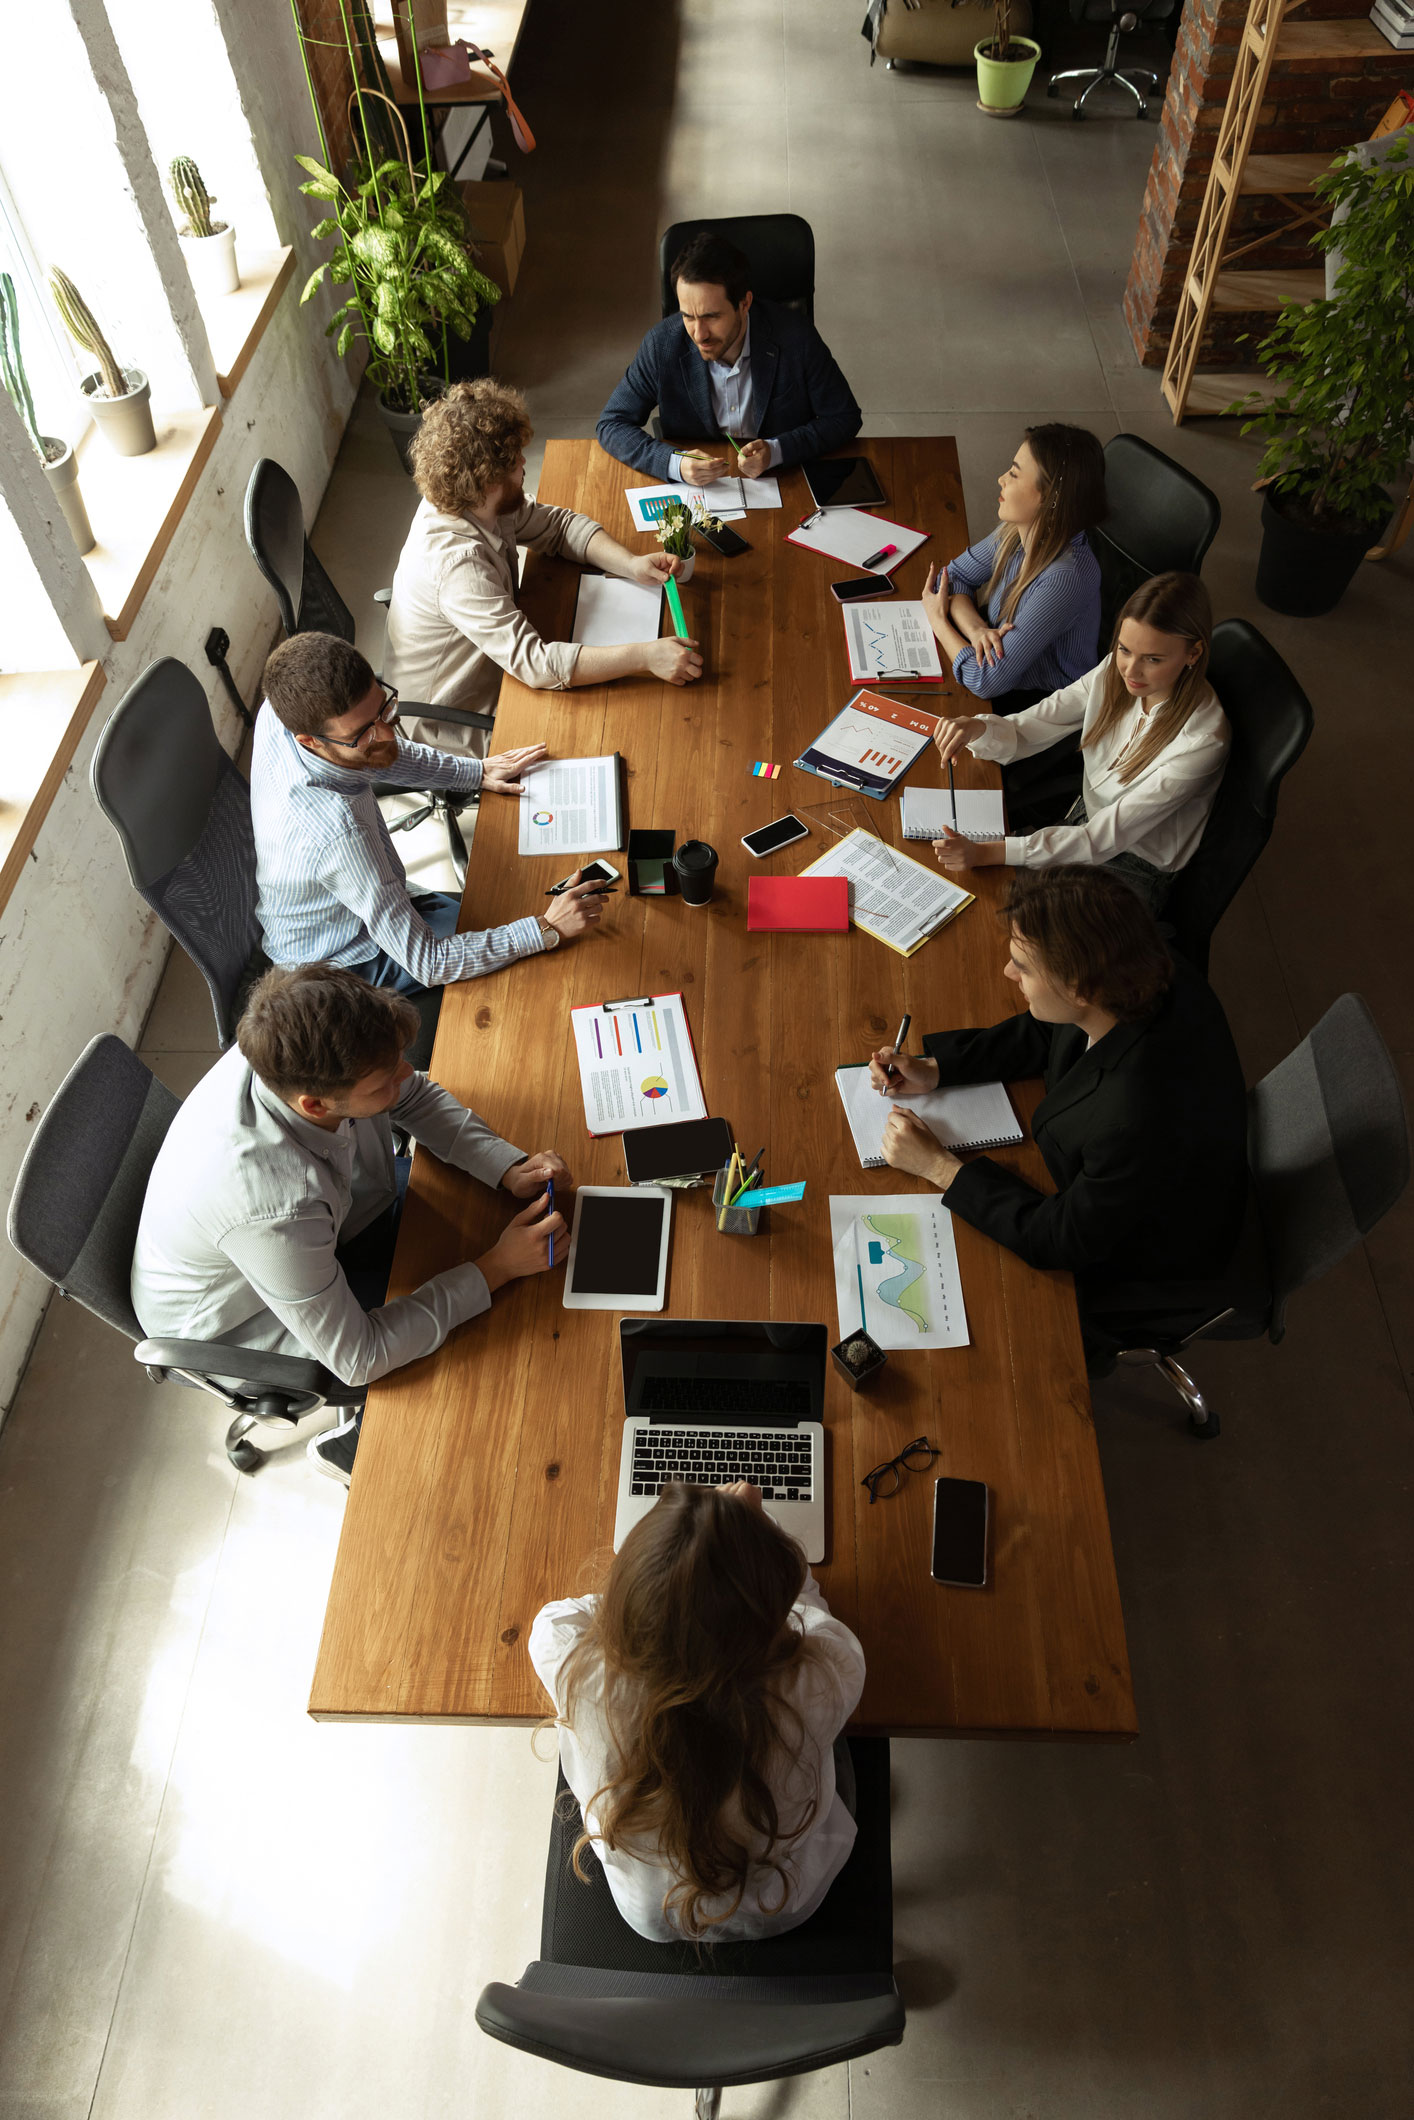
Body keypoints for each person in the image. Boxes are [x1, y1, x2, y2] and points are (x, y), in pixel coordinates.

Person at [131, 964, 570, 1482]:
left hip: (303, 1239)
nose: (407, 1075)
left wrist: (504, 1166)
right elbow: (358, 1356)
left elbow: (414, 1096)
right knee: (490, 1383)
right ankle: (354, 1445)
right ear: (314, 1105)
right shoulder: (276, 1208)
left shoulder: (300, 1046)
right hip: (235, 1321)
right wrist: (496, 1267)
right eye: (384, 1080)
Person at [868, 868, 1248, 1367]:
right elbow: (1050, 1030)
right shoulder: (1137, 973)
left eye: (1022, 966)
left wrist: (938, 1166)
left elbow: (1061, 1240)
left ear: (1080, 987)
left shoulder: (1135, 1117)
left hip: (1143, 1259)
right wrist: (938, 1069)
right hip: (1138, 1184)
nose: (1007, 972)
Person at [530, 1480, 865, 1943]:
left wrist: (668, 1584)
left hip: (650, 1917)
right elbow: (807, 1605)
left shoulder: (586, 1676)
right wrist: (749, 1529)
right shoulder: (820, 1681)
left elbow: (553, 1620)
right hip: (780, 1906)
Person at [251, 632, 605, 998]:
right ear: (309, 740)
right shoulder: (340, 835)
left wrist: (476, 772)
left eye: (383, 709)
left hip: (353, 905)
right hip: (342, 962)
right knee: (541, 970)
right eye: (365, 733)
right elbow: (430, 963)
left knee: (510, 913)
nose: (389, 733)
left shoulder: (282, 709)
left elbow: (383, 750)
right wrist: (546, 928)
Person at [383, 378, 701, 744]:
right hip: (455, 721)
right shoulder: (459, 566)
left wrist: (630, 565)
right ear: (487, 481)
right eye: (514, 462)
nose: (523, 463)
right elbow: (536, 665)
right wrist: (646, 656)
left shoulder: (471, 498)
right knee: (615, 731)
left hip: (495, 661)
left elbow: (558, 525)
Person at [930, 573, 1228, 914]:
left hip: (1131, 867)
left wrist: (988, 852)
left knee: (1009, 920)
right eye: (1124, 649)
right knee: (981, 899)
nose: (1131, 669)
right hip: (1084, 821)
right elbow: (1036, 725)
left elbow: (1101, 840)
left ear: (1194, 653)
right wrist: (976, 729)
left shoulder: (1203, 741)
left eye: (1153, 659)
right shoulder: (1116, 674)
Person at [595, 230, 862, 486]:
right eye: (688, 316)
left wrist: (777, 450)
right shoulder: (661, 345)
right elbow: (612, 424)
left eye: (712, 316)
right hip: (698, 491)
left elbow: (844, 417)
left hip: (781, 481)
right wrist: (674, 463)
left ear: (744, 303)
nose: (698, 334)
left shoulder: (797, 337)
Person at [919, 425, 1107, 711]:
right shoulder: (1017, 530)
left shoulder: (1066, 578)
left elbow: (985, 681)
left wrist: (939, 621)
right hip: (995, 659)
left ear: (1050, 498)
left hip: (1040, 706)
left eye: (1015, 474)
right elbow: (953, 577)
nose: (1001, 479)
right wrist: (976, 630)